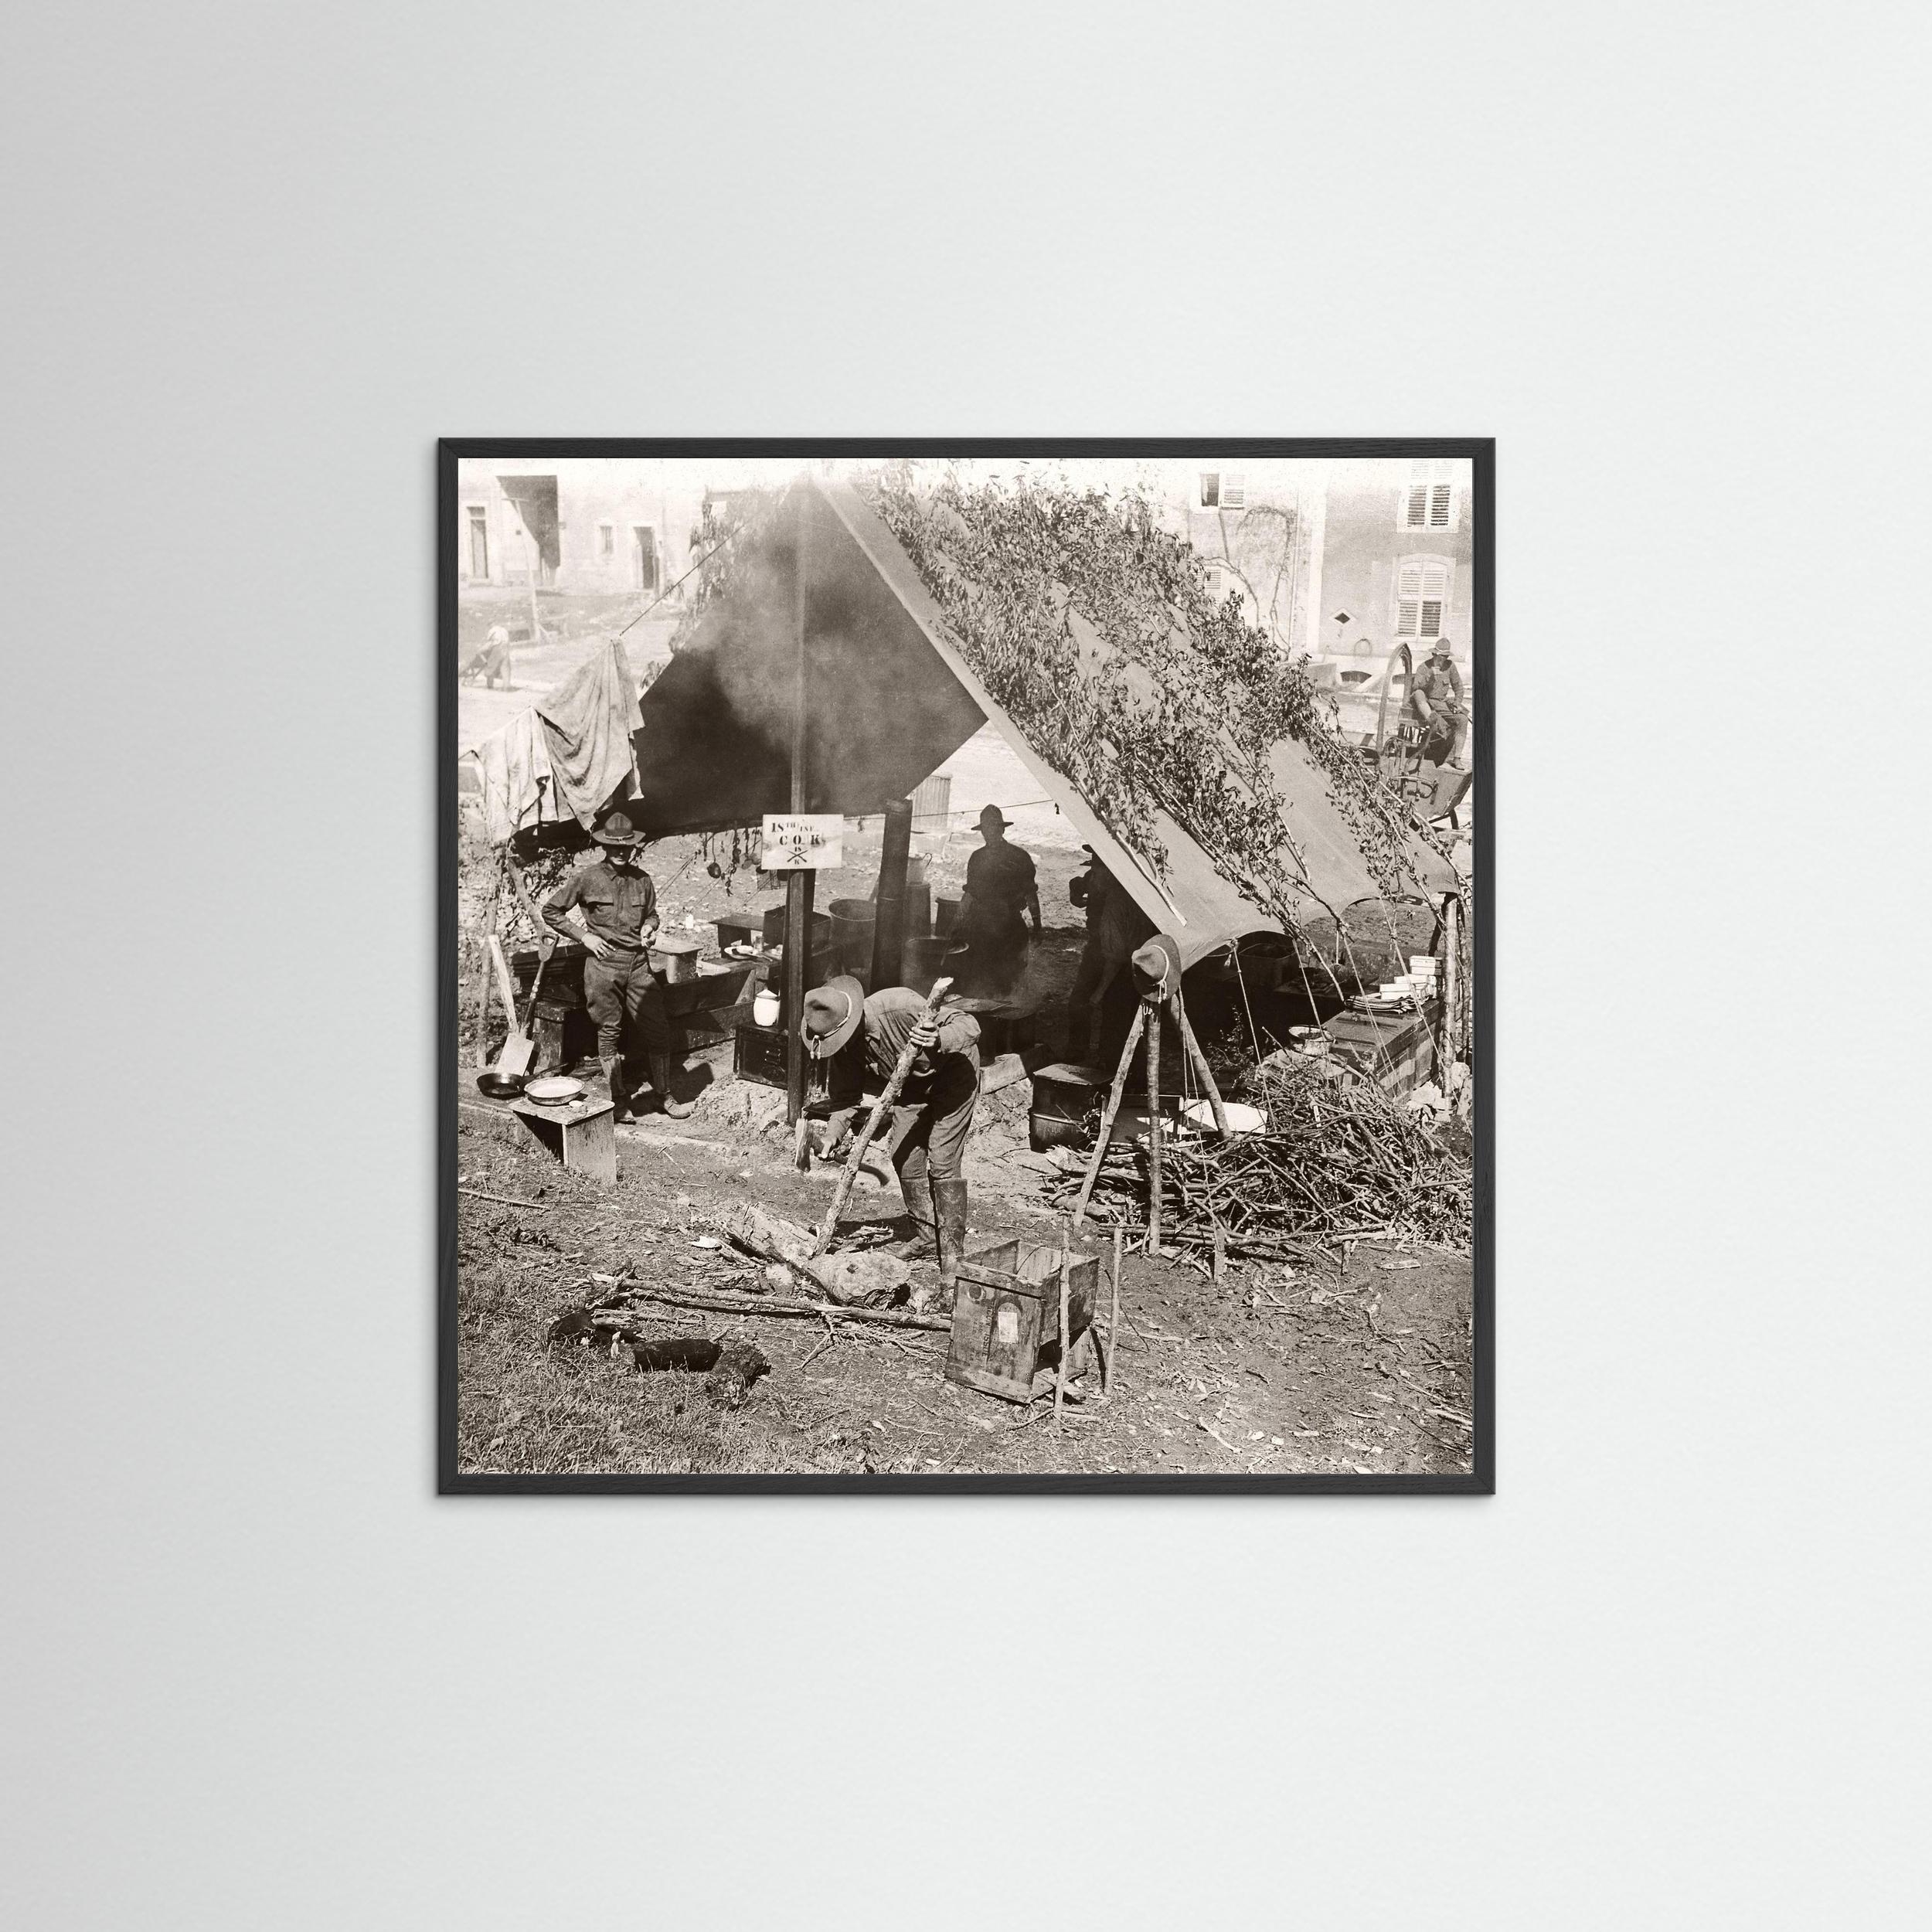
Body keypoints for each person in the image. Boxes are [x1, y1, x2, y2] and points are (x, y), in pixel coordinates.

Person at [801, 975, 981, 1291]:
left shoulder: (899, 1005)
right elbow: (846, 1099)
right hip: (912, 1087)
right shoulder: (843, 1046)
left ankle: (954, 1259)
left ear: (853, 1020)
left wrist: (938, 1037)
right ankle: (927, 1237)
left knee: (942, 1160)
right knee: (903, 1155)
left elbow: (970, 1025)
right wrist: (832, 1134)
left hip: (955, 1077)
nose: (840, 1046)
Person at [540, 811, 693, 1120]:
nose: (621, 852)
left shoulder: (642, 880)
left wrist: (650, 927)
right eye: (615, 846)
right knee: (609, 1031)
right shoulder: (587, 878)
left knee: (658, 1028)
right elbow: (551, 910)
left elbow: (652, 915)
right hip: (603, 964)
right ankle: (619, 1100)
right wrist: (584, 937)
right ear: (604, 846)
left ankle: (663, 1095)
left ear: (633, 846)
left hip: (638, 964)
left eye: (626, 846)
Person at [1064, 845, 1155, 1063]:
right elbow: (1078, 884)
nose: (1093, 873)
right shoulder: (1096, 877)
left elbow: (1116, 957)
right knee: (1080, 1002)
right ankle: (1078, 1051)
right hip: (1100, 946)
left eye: (1098, 865)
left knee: (1115, 1013)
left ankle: (1114, 1065)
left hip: (1122, 957)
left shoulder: (1120, 896)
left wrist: (1100, 992)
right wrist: (1075, 893)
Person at [954, 804, 1041, 997]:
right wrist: (957, 923)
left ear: (1002, 829)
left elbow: (1030, 894)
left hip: (1010, 928)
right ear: (982, 831)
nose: (989, 833)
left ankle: (1010, 1012)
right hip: (981, 928)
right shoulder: (977, 858)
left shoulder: (1019, 857)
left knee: (1010, 981)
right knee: (980, 980)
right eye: (986, 829)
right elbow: (970, 894)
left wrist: (1037, 925)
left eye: (994, 828)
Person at [1408, 638, 1468, 768]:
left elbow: (1458, 687)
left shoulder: (1450, 666)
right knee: (1418, 693)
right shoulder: (1424, 667)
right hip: (1426, 702)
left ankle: (1457, 758)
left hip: (1441, 703)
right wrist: (1430, 676)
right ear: (1434, 654)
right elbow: (1416, 687)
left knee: (1462, 719)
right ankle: (1431, 718)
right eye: (1441, 656)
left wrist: (1457, 703)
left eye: (1446, 656)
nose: (1444, 659)